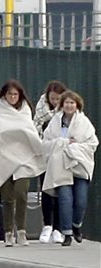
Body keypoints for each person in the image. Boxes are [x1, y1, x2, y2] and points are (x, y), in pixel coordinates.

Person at [0, 80, 45, 247]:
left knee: (21, 194)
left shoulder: (25, 111)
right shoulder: (0, 111)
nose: (12, 97)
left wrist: (19, 135)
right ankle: (8, 232)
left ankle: (21, 231)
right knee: (7, 197)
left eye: (15, 94)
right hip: (4, 158)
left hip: (24, 159)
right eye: (9, 94)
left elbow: (29, 132)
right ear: (4, 96)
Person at [42, 91, 98, 246]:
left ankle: (76, 226)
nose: (69, 105)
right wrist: (62, 143)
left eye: (72, 103)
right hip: (60, 166)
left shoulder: (84, 123)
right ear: (62, 104)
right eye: (66, 102)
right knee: (65, 200)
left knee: (80, 201)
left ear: (77, 105)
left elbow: (92, 144)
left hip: (79, 165)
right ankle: (66, 234)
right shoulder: (55, 122)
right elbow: (45, 143)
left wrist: (75, 147)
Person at [33, 80, 68, 244]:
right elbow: (35, 126)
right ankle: (47, 225)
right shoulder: (41, 108)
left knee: (61, 190)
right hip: (44, 153)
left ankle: (58, 228)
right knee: (46, 189)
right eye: (52, 98)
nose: (55, 102)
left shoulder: (68, 110)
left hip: (62, 155)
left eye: (57, 99)